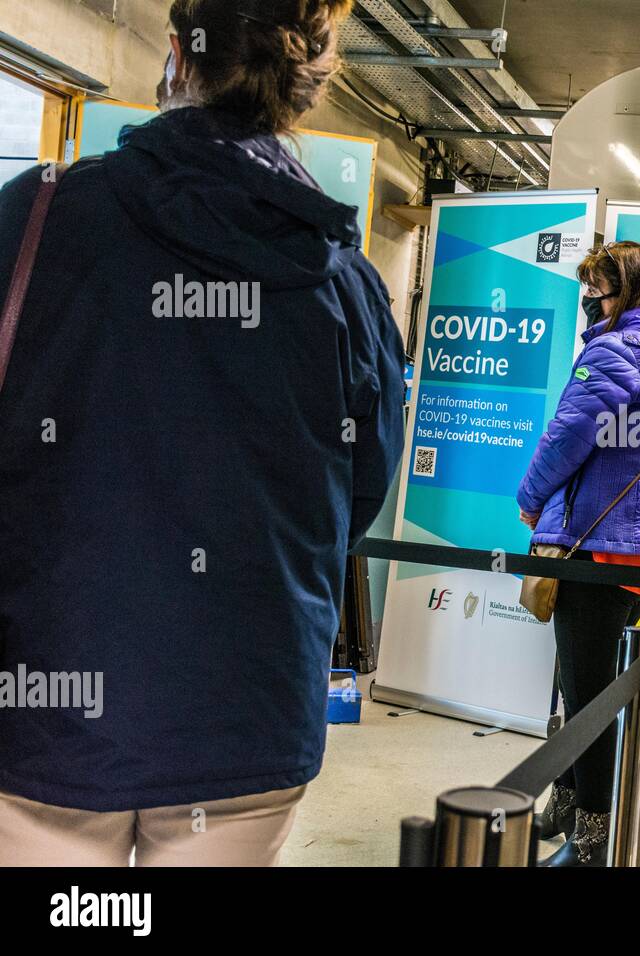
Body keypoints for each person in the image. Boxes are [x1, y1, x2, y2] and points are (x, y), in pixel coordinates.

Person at [0, 0, 405, 865]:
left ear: (177, 59)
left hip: (47, 698)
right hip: (245, 709)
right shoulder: (348, 289)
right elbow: (359, 493)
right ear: (304, 87)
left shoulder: (32, 221)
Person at [517, 240, 640, 866]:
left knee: (588, 697)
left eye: (597, 291)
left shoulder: (614, 350)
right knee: (586, 683)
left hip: (597, 548)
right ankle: (569, 798)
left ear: (625, 291)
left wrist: (529, 497)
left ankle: (594, 833)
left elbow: (568, 436)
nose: (589, 302)